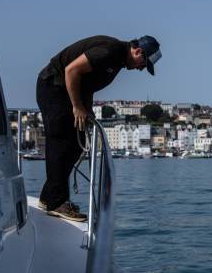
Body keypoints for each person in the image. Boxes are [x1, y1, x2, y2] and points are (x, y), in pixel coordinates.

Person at [36, 35, 162, 221]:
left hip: (65, 92)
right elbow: (72, 71)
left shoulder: (118, 61)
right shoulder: (110, 51)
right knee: (62, 142)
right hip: (54, 87)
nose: (141, 69)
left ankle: (49, 197)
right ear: (138, 51)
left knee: (76, 145)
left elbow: (88, 85)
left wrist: (87, 110)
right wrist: (78, 107)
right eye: (143, 64)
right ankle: (56, 202)